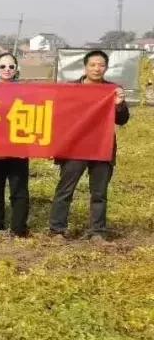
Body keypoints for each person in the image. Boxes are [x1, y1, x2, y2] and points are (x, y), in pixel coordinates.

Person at [49, 49, 130, 241]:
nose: (97, 68)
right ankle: (57, 230)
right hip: (75, 147)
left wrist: (119, 104)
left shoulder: (112, 90)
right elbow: (59, 116)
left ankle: (97, 231)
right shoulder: (71, 90)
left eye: (101, 65)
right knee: (65, 190)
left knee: (99, 193)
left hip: (102, 147)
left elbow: (122, 119)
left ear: (106, 68)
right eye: (93, 65)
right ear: (85, 67)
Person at [0, 53, 29, 237]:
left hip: (19, 146)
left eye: (11, 66)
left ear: (16, 69)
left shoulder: (25, 91)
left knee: (19, 188)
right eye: (3, 67)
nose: (7, 70)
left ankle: (18, 228)